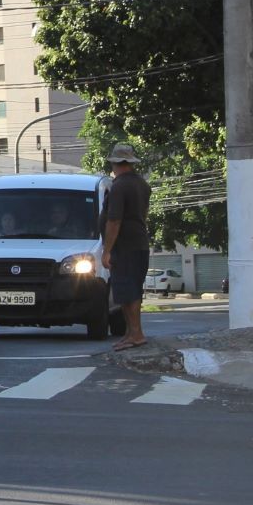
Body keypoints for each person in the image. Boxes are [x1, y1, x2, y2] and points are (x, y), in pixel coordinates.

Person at [101, 142, 152, 351]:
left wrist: (107, 250)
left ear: (117, 163)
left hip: (125, 246)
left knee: (126, 292)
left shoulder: (119, 186)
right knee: (133, 291)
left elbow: (114, 221)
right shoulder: (142, 184)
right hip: (139, 243)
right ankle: (132, 333)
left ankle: (136, 333)